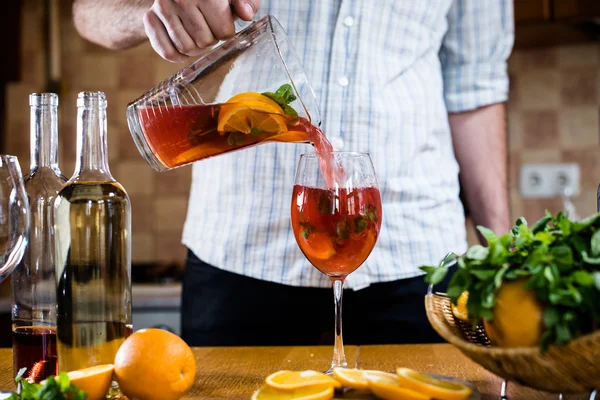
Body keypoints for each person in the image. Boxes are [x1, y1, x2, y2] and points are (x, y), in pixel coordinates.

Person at [72, 0, 513, 346]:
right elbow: (88, 11)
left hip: (417, 256)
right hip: (240, 255)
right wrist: (154, 7)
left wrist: (503, 260)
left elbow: (476, 88)